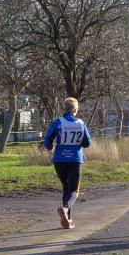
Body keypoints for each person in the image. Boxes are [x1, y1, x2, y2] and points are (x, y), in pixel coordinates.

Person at [43, 97, 92, 230]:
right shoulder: (81, 123)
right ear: (75, 109)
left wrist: (49, 148)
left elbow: (48, 139)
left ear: (64, 109)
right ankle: (65, 209)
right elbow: (87, 143)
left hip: (59, 160)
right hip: (75, 159)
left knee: (66, 188)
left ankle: (68, 219)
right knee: (74, 190)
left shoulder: (57, 122)